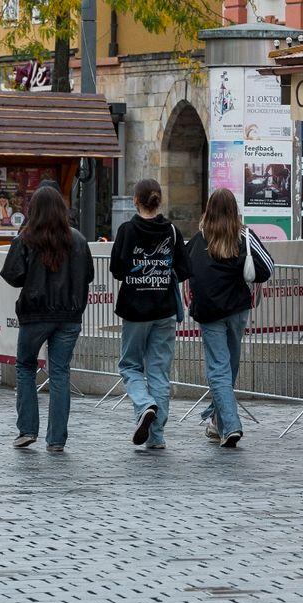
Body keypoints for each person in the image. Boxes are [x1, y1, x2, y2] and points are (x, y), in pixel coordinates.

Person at [0, 185, 91, 452]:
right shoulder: (78, 240)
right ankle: (57, 439)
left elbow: (12, 276)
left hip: (36, 313)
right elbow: (88, 276)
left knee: (26, 367)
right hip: (69, 315)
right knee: (60, 372)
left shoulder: (27, 239)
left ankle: (27, 429)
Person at [184, 188, 272, 449]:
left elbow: (185, 270)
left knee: (220, 370)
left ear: (208, 210)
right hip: (237, 311)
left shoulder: (199, 241)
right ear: (235, 211)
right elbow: (268, 266)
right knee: (228, 368)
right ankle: (219, 422)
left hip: (210, 313)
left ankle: (229, 425)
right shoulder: (244, 237)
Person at [110, 178, 187, 451]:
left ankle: (145, 404)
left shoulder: (127, 230)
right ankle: (157, 436)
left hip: (135, 309)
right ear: (159, 201)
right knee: (159, 372)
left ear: (135, 201)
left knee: (130, 365)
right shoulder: (172, 231)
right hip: (164, 308)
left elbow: (117, 270)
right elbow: (184, 268)